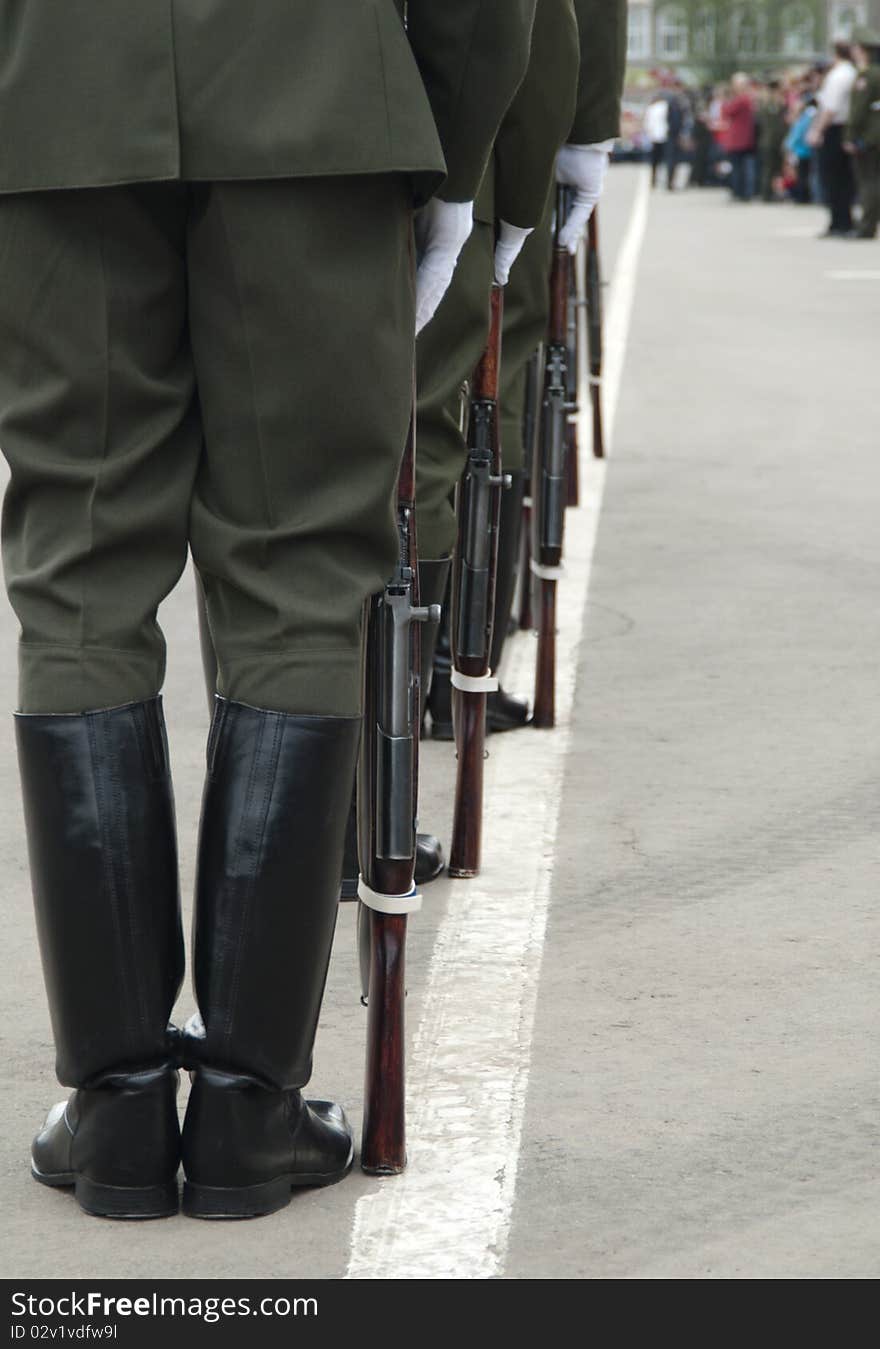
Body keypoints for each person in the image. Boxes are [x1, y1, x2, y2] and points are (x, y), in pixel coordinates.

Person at [0, 0, 537, 1221]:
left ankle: (118, 1103)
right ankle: (249, 1108)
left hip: (53, 102)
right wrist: (447, 159)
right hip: (319, 106)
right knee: (301, 582)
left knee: (76, 579)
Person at [418, 0, 627, 750]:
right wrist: (580, 128)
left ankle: (438, 671)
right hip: (477, 131)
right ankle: (444, 672)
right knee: (457, 406)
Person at [810, 41, 858, 235]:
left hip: (834, 128)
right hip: (846, 127)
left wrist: (817, 131)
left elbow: (830, 108)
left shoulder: (837, 76)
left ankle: (838, 221)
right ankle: (844, 220)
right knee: (845, 178)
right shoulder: (853, 72)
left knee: (833, 178)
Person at [845, 27, 880, 240]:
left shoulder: (866, 76)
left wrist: (850, 136)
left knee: (868, 181)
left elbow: (858, 110)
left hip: (869, 136)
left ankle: (866, 226)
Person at [722, 74, 757, 202]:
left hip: (739, 140)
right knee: (743, 168)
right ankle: (742, 192)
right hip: (745, 139)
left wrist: (726, 100)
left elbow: (726, 111)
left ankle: (739, 192)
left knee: (738, 168)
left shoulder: (742, 99)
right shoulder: (748, 98)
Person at [756, 81, 788, 202]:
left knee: (776, 169)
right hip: (769, 142)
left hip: (776, 141)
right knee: (769, 169)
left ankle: (773, 192)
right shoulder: (768, 105)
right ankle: (766, 194)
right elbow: (773, 125)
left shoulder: (776, 104)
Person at [644, 92, 670, 189]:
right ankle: (665, 180)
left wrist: (650, 135)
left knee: (655, 161)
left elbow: (648, 124)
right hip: (664, 136)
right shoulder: (665, 107)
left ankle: (653, 180)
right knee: (665, 160)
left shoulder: (651, 108)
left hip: (655, 137)